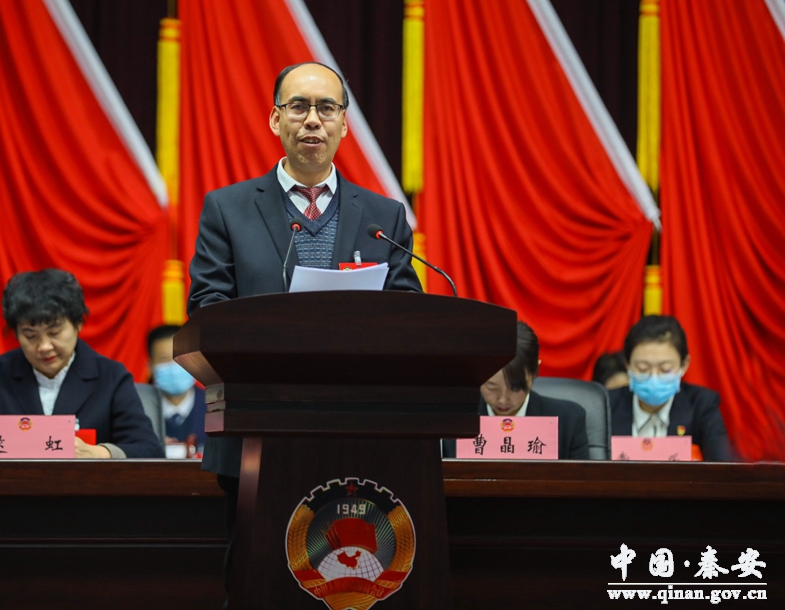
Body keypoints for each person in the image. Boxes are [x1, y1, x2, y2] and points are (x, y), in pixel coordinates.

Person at [186, 61, 422, 602]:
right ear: (276, 120)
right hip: (255, 431)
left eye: (326, 108)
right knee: (259, 584)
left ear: (344, 124)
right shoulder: (228, 208)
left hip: (360, 432)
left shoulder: (383, 216)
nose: (312, 119)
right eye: (298, 106)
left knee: (354, 585)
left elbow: (408, 313)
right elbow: (207, 309)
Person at [0, 269, 163, 458]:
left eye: (54, 332)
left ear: (78, 323)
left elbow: (149, 449)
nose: (44, 346)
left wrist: (98, 453)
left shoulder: (110, 377)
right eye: (30, 335)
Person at [443, 321, 589, 459]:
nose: (502, 399)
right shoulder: (455, 418)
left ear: (535, 372)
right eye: (491, 387)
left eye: (515, 387)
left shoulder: (568, 420)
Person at [609, 315, 733, 461]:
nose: (653, 377)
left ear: (684, 364)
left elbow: (721, 465)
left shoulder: (701, 404)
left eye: (665, 369)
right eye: (642, 369)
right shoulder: (606, 405)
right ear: (627, 364)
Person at [139, 324, 207, 458]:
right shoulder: (139, 412)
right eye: (164, 359)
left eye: (180, 358)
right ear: (150, 366)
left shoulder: (215, 407)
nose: (174, 365)